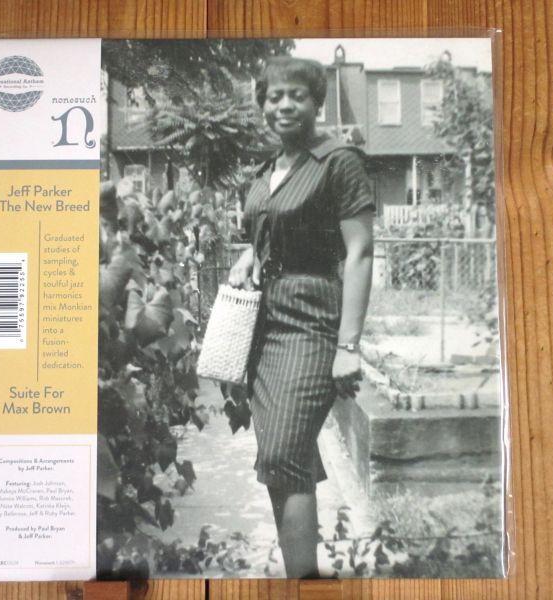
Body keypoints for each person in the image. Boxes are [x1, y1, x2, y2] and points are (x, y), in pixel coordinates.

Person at [228, 56, 375, 578]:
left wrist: (348, 346)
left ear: (317, 103)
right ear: (263, 105)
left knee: (285, 451)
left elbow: (359, 252)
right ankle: (302, 574)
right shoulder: (268, 171)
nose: (285, 105)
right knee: (279, 455)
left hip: (312, 321)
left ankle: (304, 582)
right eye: (274, 96)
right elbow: (265, 232)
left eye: (297, 95)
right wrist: (249, 254)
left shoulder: (338, 162)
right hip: (265, 326)